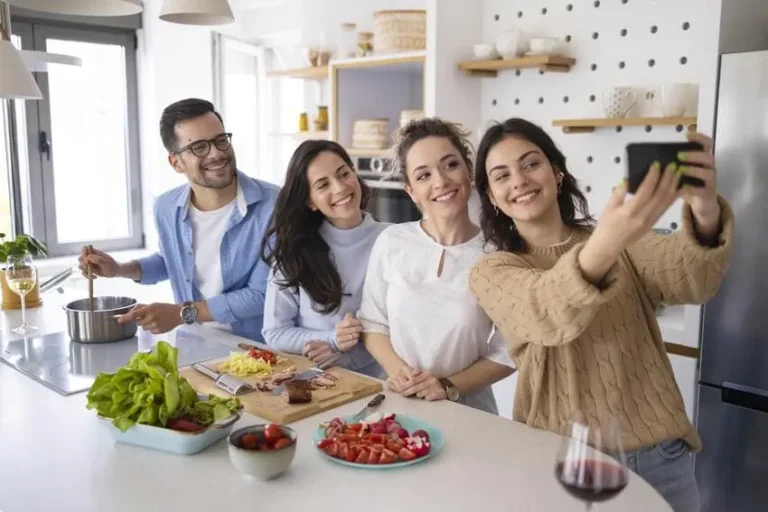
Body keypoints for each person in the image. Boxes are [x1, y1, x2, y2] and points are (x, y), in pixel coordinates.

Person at [468, 117, 734, 511]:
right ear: (492, 196)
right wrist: (608, 240)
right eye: (501, 175)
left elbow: (690, 279)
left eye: (530, 163)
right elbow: (545, 310)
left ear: (556, 172)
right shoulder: (492, 272)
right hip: (560, 461)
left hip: (660, 460)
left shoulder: (622, 242)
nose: (519, 180)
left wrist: (704, 206)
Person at [78, 98, 279, 341]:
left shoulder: (275, 205)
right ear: (176, 163)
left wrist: (181, 313)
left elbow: (262, 295)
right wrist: (120, 269)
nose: (216, 153)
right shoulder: (166, 206)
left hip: (255, 350)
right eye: (199, 147)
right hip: (193, 341)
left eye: (220, 140)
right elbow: (171, 260)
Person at [358, 118, 515, 414]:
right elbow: (372, 323)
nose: (440, 182)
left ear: (469, 171)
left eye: (450, 165)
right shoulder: (392, 241)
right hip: (397, 402)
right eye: (423, 175)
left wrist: (448, 386)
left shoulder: (499, 254)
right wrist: (402, 374)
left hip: (469, 412)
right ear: (410, 191)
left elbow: (510, 350)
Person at [260, 140, 386, 378]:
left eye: (344, 174)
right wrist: (331, 339)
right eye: (322, 185)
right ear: (309, 201)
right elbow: (275, 332)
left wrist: (345, 354)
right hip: (318, 385)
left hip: (383, 384)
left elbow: (404, 332)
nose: (339, 188)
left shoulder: (393, 240)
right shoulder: (294, 251)